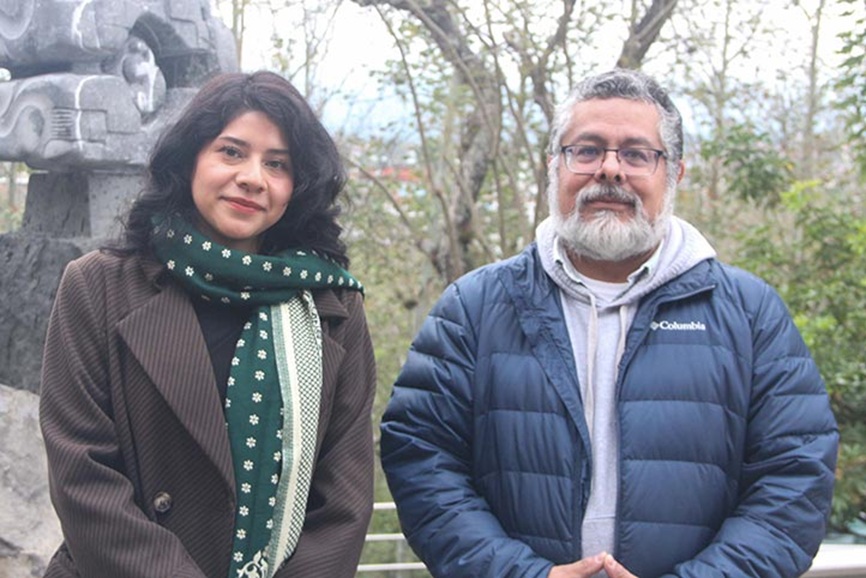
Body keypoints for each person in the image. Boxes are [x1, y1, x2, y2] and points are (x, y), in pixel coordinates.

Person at [379, 68, 838, 578]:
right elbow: (422, 458)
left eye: (637, 154)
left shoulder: (750, 314)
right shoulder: (474, 307)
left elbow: (795, 478)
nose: (610, 170)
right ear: (553, 165)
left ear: (675, 173)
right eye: (587, 150)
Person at [39, 70, 376, 578]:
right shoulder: (98, 286)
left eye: (277, 163)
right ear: (190, 159)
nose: (253, 178)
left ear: (297, 185)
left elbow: (344, 496)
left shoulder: (332, 307)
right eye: (232, 152)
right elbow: (81, 473)